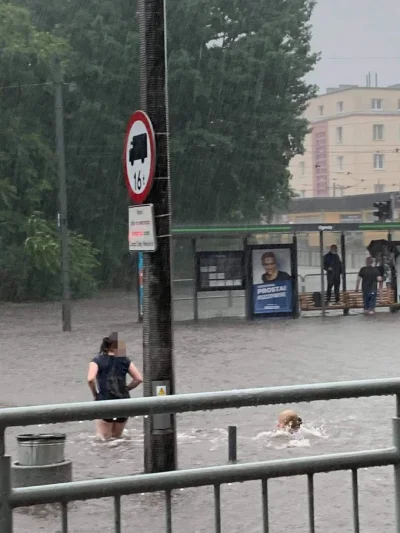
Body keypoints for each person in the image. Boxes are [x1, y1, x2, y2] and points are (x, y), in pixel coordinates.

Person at [87, 332, 143, 440]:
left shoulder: (96, 360)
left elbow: (90, 379)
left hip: (105, 400)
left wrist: (95, 394)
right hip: (124, 401)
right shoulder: (125, 360)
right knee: (117, 438)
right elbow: (138, 379)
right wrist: (126, 389)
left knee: (104, 440)